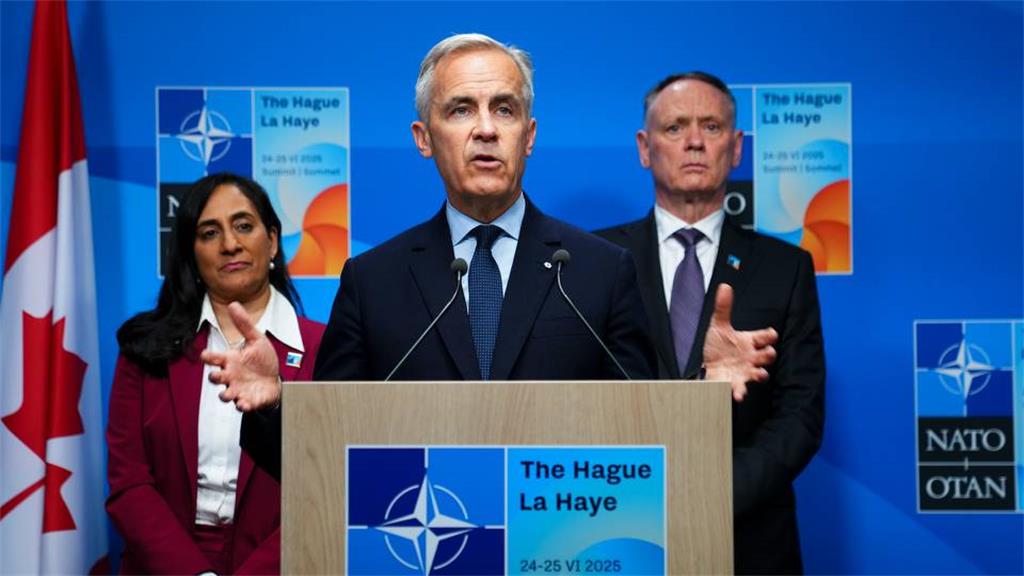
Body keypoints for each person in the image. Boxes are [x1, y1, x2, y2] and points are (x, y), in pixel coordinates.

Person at [213, 35, 778, 480]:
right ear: (423, 138)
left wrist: (703, 392)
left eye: (504, 110)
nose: (485, 129)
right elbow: (322, 455)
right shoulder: (373, 279)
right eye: (461, 110)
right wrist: (272, 406)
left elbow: (646, 440)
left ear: (528, 136)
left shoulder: (599, 271)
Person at [596, 72, 826, 574]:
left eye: (712, 127)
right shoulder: (593, 260)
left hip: (748, 538)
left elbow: (800, 416)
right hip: (618, 528)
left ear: (736, 147)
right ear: (645, 148)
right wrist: (644, 493)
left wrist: (711, 494)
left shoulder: (785, 268)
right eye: (675, 127)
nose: (695, 141)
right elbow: (576, 394)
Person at [105, 173, 324, 574]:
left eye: (244, 225)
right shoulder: (145, 349)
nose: (229, 244)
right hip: (164, 564)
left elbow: (329, 487)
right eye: (210, 233)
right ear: (191, 253)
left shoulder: (325, 349)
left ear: (273, 240)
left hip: (283, 563)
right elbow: (129, 483)